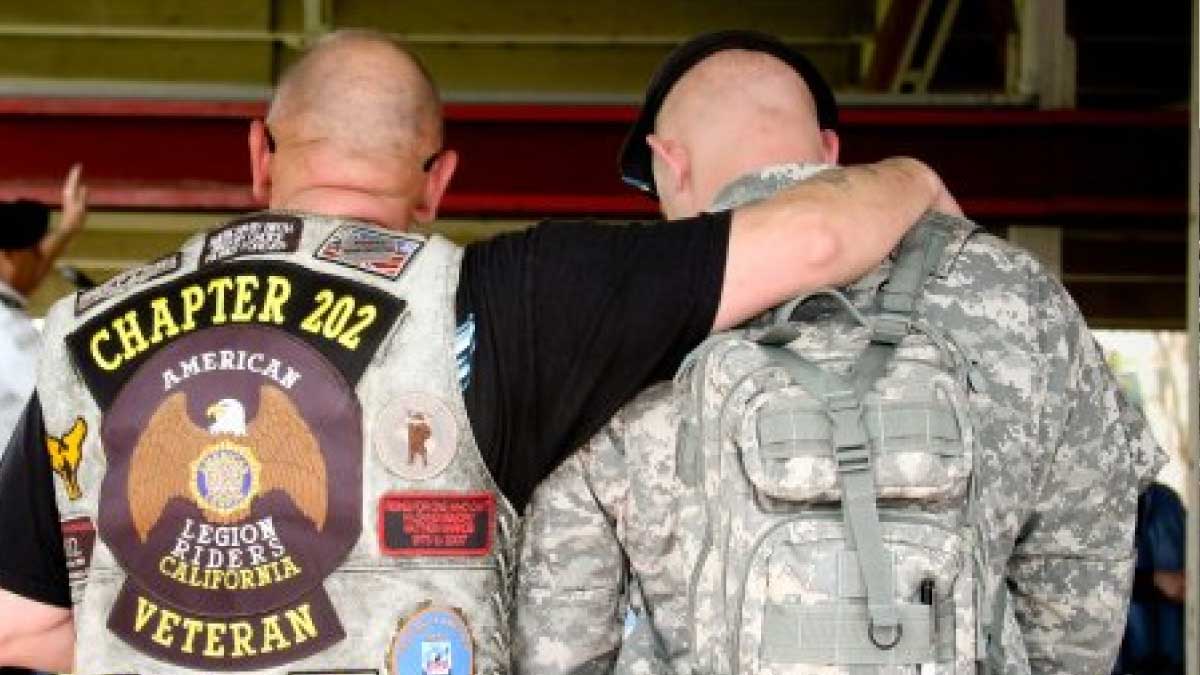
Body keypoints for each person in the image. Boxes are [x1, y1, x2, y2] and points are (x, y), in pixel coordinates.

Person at [0, 30, 955, 675]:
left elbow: (22, 620)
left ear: (261, 155)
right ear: (439, 179)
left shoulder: (83, 333)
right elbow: (819, 240)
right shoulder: (508, 298)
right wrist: (913, 172)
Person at [514, 30, 1165, 675]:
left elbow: (560, 641)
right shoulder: (1020, 295)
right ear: (828, 150)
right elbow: (1083, 580)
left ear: (670, 163)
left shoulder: (614, 320)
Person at [0, 165, 88, 450]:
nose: (41, 260)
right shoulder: (10, 333)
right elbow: (63, 403)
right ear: (8, 254)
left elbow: (24, 273)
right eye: (35, 250)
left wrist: (66, 229)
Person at [1112, 482, 1187, 675]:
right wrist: (1153, 581)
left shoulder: (1166, 502)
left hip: (1173, 655)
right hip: (1119, 657)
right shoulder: (1085, 500)